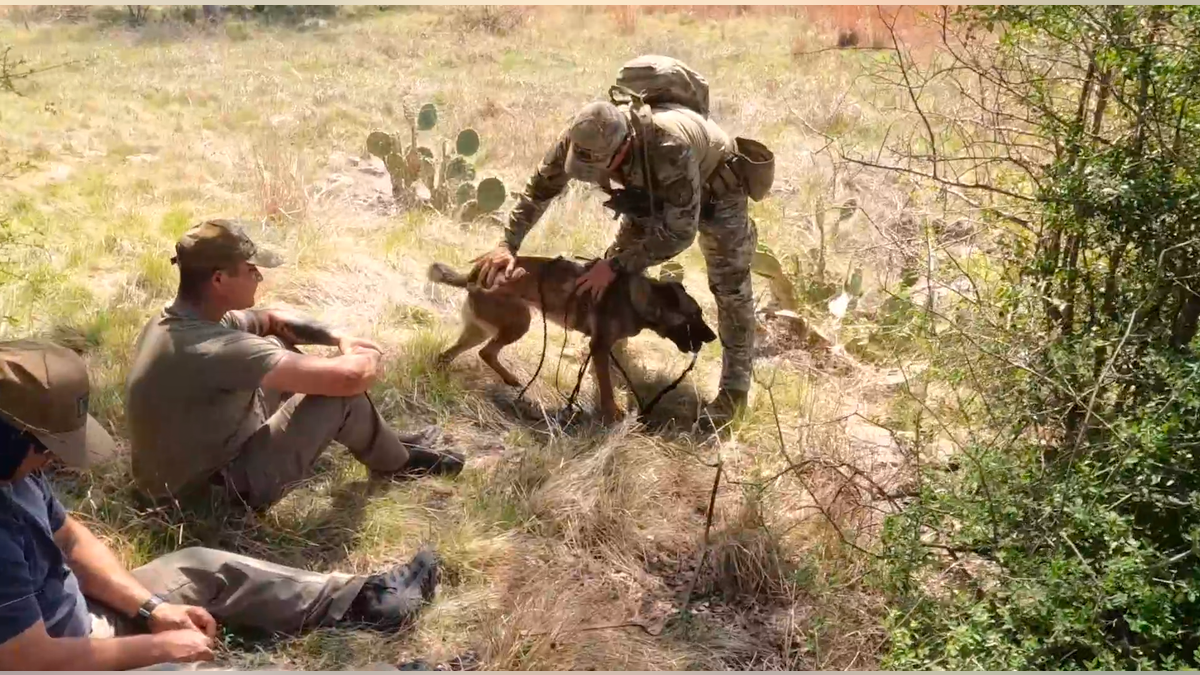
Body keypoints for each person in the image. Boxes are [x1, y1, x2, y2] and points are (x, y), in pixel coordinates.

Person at [0, 339, 439, 670]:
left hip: (75, 620)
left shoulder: (16, 471)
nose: (52, 459)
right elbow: (27, 660)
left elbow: (70, 540)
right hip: (54, 659)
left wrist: (152, 609)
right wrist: (158, 648)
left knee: (201, 566)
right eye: (46, 447)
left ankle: (361, 601)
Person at [126, 219, 464, 511]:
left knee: (276, 344)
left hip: (181, 478)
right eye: (249, 269)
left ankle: (388, 440)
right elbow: (349, 379)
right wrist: (367, 354)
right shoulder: (213, 347)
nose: (258, 275)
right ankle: (397, 464)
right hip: (208, 498)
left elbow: (272, 319)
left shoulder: (181, 318)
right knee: (339, 394)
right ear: (218, 280)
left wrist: (340, 339)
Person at [472, 96, 757, 422]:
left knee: (730, 287)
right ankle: (607, 341)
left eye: (597, 169)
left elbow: (679, 233)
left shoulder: (669, 150)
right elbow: (540, 189)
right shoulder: (582, 135)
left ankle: (733, 393)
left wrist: (617, 265)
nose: (592, 176)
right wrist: (507, 243)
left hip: (716, 191)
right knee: (611, 279)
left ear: (623, 148)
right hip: (647, 192)